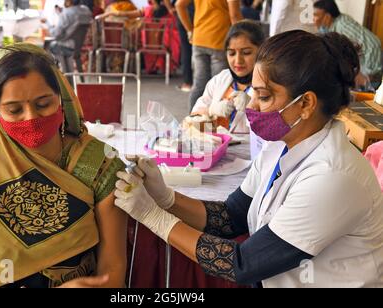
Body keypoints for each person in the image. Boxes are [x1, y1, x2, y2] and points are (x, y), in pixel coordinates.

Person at [114, 31, 383, 288]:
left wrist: (153, 216)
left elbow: (242, 263)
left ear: (306, 104)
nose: (251, 106)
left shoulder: (333, 176)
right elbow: (232, 216)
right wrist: (166, 198)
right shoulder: (280, 146)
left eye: (264, 97)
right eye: (253, 93)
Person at [0, 44, 127, 288]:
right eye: (14, 110)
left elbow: (113, 271)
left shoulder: (98, 164)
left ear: (61, 99)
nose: (31, 118)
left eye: (43, 104)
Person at [191, 21, 265, 135]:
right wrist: (210, 111)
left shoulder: (270, 84)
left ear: (261, 51)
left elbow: (277, 131)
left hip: (253, 151)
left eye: (246, 52)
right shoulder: (220, 80)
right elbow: (193, 120)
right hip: (218, 149)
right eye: (231, 53)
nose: (238, 60)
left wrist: (253, 108)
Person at [176, 0, 242, 110]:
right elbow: (234, 15)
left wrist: (190, 30)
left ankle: (192, 122)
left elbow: (179, 5)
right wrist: (243, 37)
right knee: (220, 87)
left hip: (199, 38)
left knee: (199, 85)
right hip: (219, 39)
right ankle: (216, 123)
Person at [313, 0, 382, 89]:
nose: (313, 19)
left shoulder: (343, 27)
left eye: (316, 15)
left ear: (327, 17)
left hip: (371, 65)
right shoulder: (331, 25)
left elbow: (372, 42)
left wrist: (367, 76)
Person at [99, 0, 180, 75]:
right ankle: (167, 68)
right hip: (165, 47)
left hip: (148, 46)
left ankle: (152, 67)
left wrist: (108, 14)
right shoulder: (170, 16)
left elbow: (125, 14)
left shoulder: (147, 10)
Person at [42, 0, 93, 73]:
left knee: (47, 46)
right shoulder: (86, 10)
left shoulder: (66, 13)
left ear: (69, 1)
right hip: (78, 47)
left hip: (66, 47)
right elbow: (74, 20)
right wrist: (61, 14)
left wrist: (47, 23)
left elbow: (55, 34)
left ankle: (55, 74)